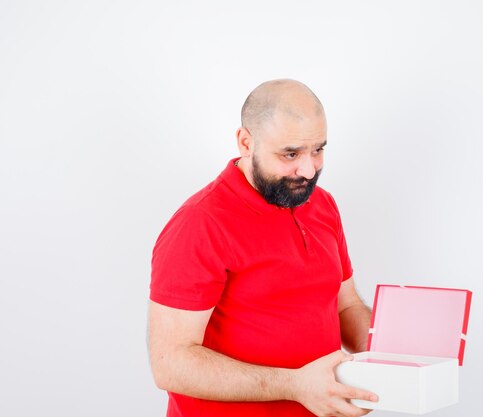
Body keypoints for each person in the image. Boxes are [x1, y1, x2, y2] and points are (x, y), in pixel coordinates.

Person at [148, 79, 377, 417]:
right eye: (291, 154)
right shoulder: (201, 222)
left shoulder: (322, 205)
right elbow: (171, 362)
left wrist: (395, 353)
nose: (309, 169)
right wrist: (294, 385)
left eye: (318, 149)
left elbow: (346, 307)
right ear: (246, 143)